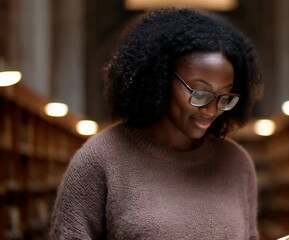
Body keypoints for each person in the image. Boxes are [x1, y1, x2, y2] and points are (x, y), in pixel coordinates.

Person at [50, 7, 262, 240]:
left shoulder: (237, 164)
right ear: (159, 77)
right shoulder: (100, 160)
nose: (211, 109)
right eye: (200, 93)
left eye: (224, 97)